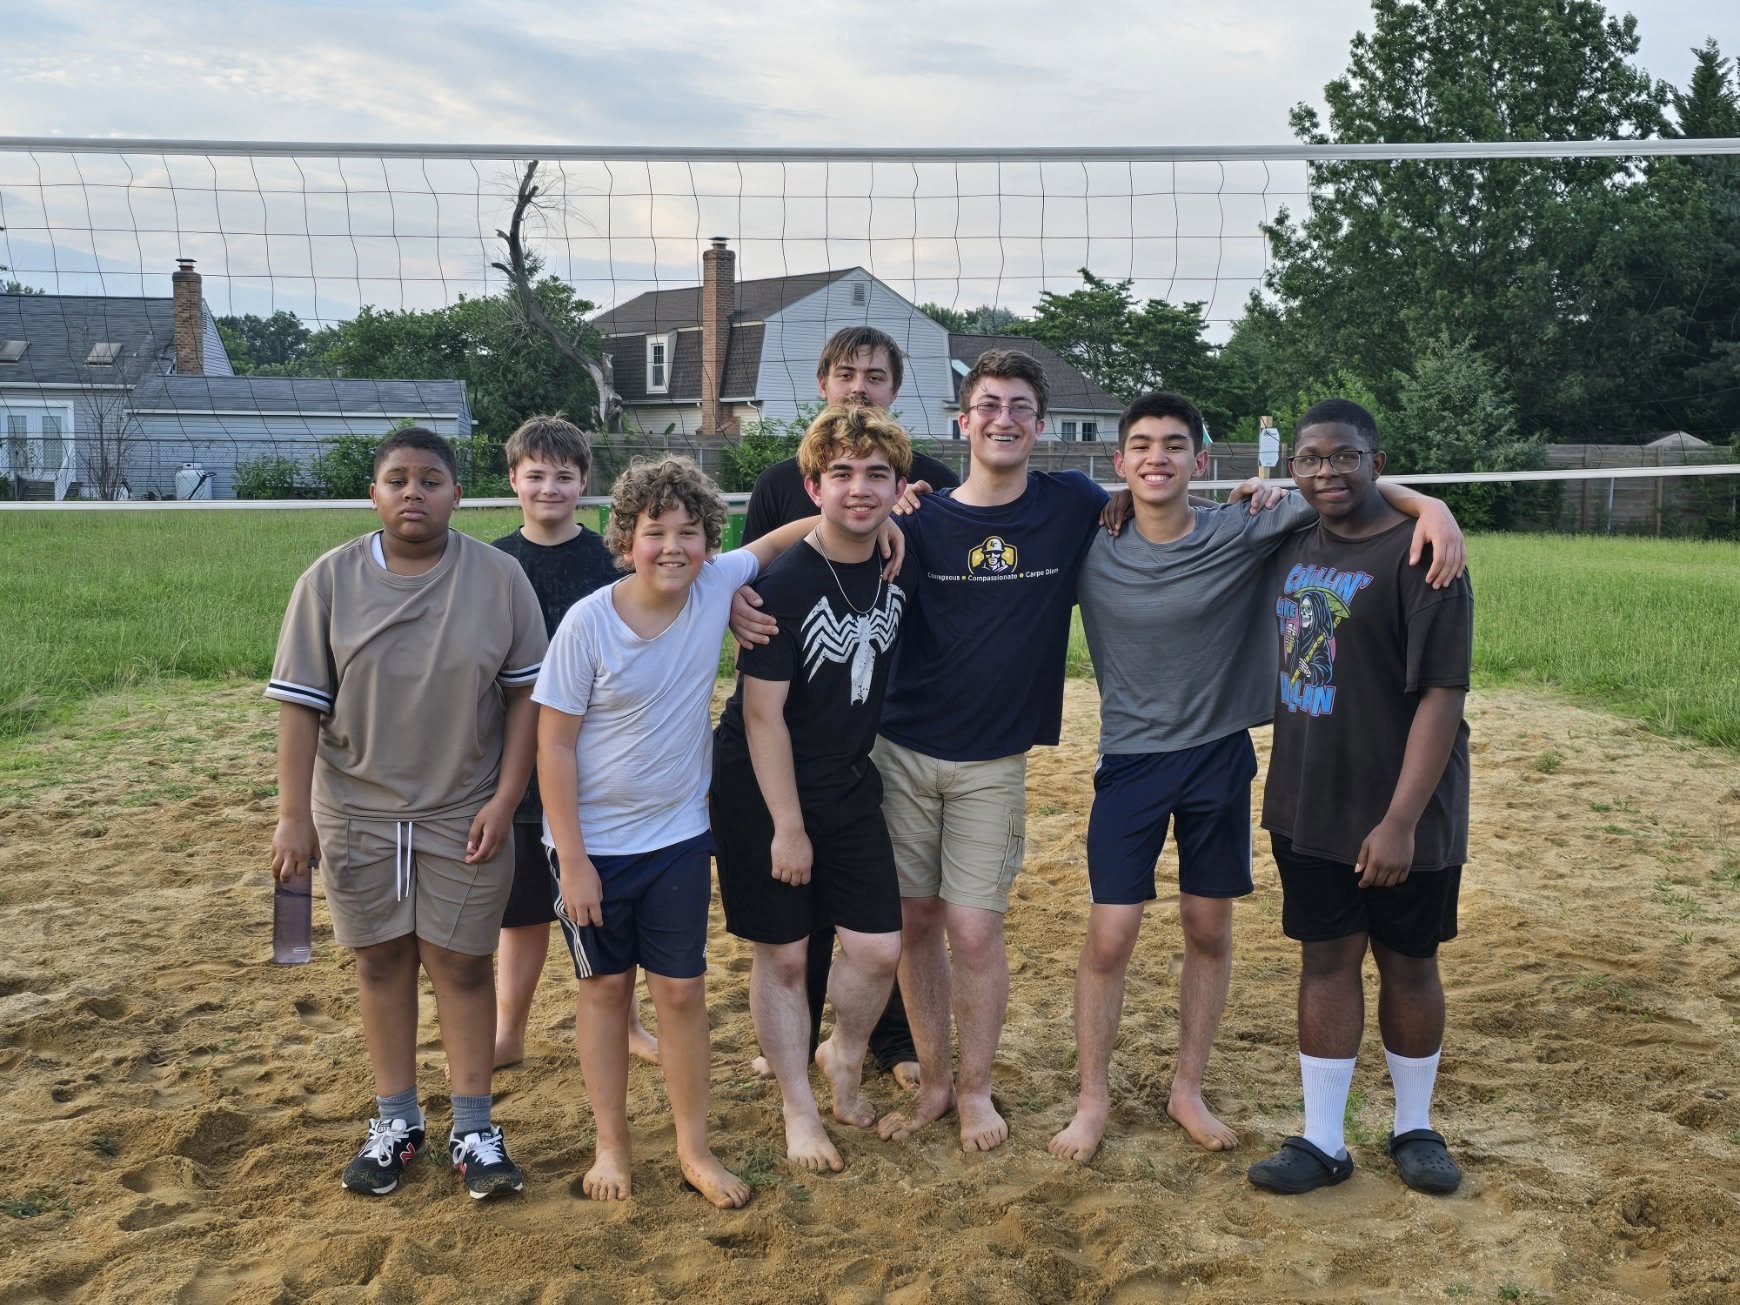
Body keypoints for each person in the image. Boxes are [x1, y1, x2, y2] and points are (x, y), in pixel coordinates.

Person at [1050, 391, 1464, 1164]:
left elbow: (1345, 488)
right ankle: (1092, 1098)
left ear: (1201, 462)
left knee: (1208, 928)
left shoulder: (1242, 527)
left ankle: (1188, 1088)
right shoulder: (1089, 535)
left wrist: (1430, 503)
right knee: (1112, 934)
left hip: (1218, 757)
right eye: (1141, 445)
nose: (1157, 457)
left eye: (1175, 444)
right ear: (1118, 463)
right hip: (1131, 762)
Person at [534, 456, 901, 1208]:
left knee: (682, 993)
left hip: (675, 835)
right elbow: (554, 745)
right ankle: (612, 1144)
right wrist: (572, 858)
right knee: (605, 990)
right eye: (653, 532)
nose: (673, 547)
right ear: (624, 538)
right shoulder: (588, 622)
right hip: (592, 845)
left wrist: (883, 518)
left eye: (690, 532)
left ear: (710, 539)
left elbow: (788, 538)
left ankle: (694, 1148)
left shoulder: (712, 586)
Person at [268, 427, 545, 1200]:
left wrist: (504, 797)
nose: (413, 492)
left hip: (465, 807)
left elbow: (526, 698)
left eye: (430, 480)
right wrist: (294, 815)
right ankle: (396, 1121)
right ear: (374, 494)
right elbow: (298, 710)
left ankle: (474, 1124)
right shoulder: (327, 582)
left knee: (460, 962)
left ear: (459, 493)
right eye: (397, 479)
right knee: (381, 958)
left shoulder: (500, 579)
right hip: (355, 809)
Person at [874, 348, 1107, 1152]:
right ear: (962, 421)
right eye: (988, 404)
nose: (1003, 418)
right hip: (900, 746)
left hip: (992, 760)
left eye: (1019, 406)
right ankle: (935, 1081)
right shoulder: (915, 517)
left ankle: (976, 1088)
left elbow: (1167, 504)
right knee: (914, 919)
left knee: (973, 928)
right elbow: (818, 545)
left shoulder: (1072, 503)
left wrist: (1421, 507)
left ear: (1039, 426)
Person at [1246, 399, 1472, 1197]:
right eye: (1311, 458)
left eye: (1344, 456)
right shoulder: (1290, 540)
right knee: (1326, 959)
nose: (1326, 471)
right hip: (1309, 799)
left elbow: (1443, 694)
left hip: (1406, 810)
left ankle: (1414, 1125)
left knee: (1410, 963)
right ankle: (1322, 1138)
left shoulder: (1423, 554)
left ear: (1378, 461)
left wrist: (1402, 821)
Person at [737, 324, 953, 1090]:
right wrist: (735, 599)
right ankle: (793, 1057)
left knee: (879, 917)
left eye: (876, 375)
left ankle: (874, 1041)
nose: (860, 386)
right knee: (793, 930)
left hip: (871, 733)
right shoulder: (784, 500)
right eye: (846, 373)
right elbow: (752, 568)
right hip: (786, 741)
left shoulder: (923, 489)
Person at [713, 405, 916, 1174]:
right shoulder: (784, 583)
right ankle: (799, 1106)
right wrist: (786, 826)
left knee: (876, 947)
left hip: (847, 776)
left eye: (875, 476)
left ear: (899, 487)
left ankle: (845, 1055)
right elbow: (763, 719)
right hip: (763, 785)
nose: (858, 490)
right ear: (812, 485)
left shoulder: (900, 557)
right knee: (789, 957)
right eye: (841, 475)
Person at [489, 415, 658, 1070]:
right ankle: (509, 1030)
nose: (550, 487)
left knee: (610, 905)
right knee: (524, 913)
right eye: (536, 475)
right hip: (523, 761)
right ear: (514, 480)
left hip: (604, 760)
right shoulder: (495, 563)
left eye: (563, 475)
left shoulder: (610, 562)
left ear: (584, 481)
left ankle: (631, 1023)